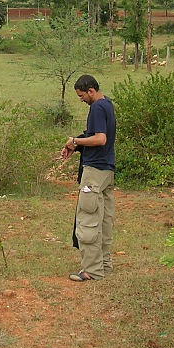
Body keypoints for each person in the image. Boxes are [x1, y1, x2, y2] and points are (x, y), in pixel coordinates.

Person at [58, 74, 116, 282]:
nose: (81, 99)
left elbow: (100, 139)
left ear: (91, 90)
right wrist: (76, 145)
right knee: (104, 219)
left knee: (88, 219)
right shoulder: (107, 104)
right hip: (107, 170)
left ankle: (92, 269)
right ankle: (104, 264)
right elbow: (94, 136)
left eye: (82, 95)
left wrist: (74, 140)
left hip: (94, 172)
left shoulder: (97, 108)